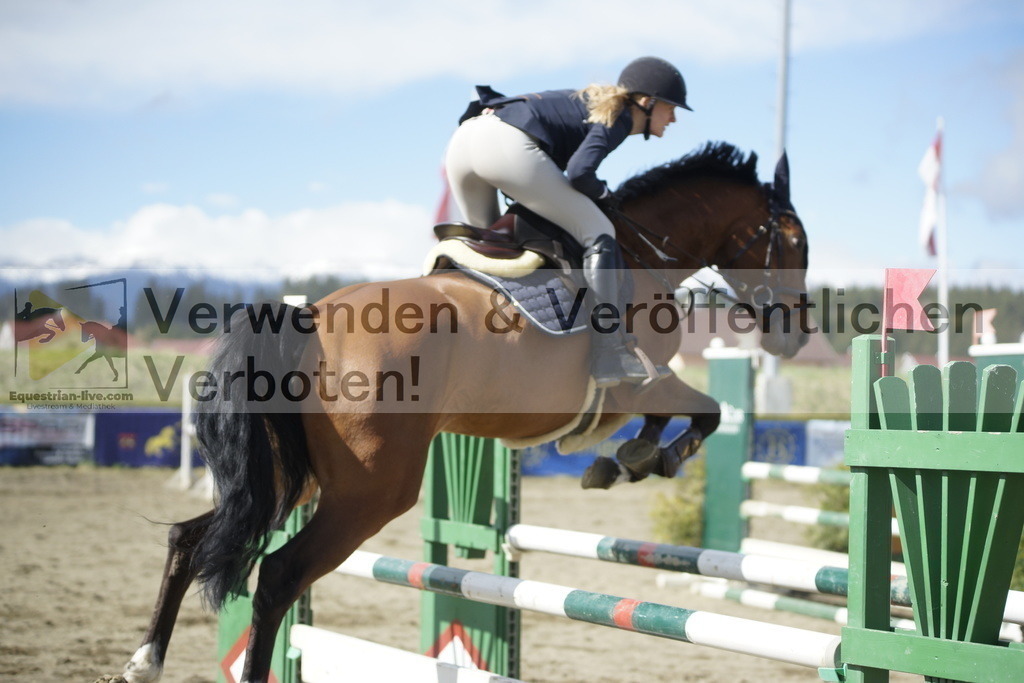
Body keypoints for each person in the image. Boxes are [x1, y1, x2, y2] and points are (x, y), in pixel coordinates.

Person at [444, 56, 692, 388]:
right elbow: (579, 173)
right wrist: (604, 194)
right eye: (671, 107)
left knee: (491, 248)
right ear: (645, 102)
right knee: (599, 231)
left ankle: (482, 338)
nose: (674, 118)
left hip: (463, 142)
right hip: (504, 144)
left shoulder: (590, 103)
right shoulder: (618, 116)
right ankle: (610, 352)